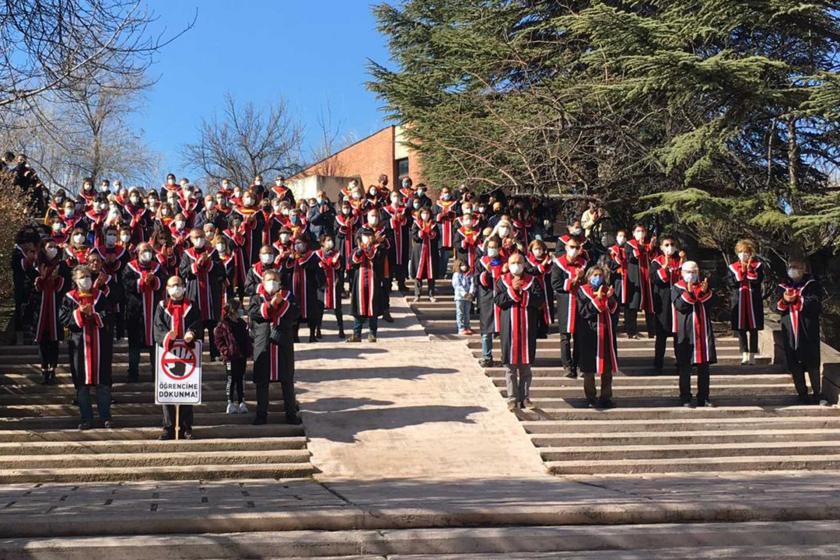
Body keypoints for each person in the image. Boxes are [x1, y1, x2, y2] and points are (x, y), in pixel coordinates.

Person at [59, 266, 113, 430]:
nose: (86, 279)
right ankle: (86, 418)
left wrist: (94, 315)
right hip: (78, 346)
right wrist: (79, 313)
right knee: (82, 385)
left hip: (100, 345)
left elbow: (109, 316)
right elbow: (64, 319)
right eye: (82, 276)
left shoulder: (100, 297)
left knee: (103, 384)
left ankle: (105, 417)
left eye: (88, 276)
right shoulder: (69, 298)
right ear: (75, 280)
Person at [247, 269, 302, 425]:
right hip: (263, 344)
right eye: (268, 279)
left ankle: (291, 414)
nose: (271, 282)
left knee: (287, 381)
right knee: (262, 382)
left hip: (282, 344)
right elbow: (255, 314)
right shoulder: (256, 298)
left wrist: (281, 303)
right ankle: (261, 414)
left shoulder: (289, 297)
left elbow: (295, 314)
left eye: (274, 279)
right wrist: (271, 305)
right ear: (263, 283)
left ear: (279, 282)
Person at [153, 275, 202, 439]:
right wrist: (168, 336)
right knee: (167, 393)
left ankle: (187, 427)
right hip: (168, 355)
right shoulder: (161, 306)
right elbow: (158, 328)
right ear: (167, 288)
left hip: (188, 355)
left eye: (179, 284)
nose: (177, 288)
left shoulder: (192, 306)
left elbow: (197, 324)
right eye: (173, 285)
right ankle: (168, 427)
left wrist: (192, 333)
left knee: (187, 392)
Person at [495, 252, 543, 411]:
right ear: (508, 265)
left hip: (527, 328)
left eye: (519, 262)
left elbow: (539, 301)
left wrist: (524, 293)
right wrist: (513, 291)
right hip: (509, 329)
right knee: (510, 367)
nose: (517, 265)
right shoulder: (502, 281)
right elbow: (499, 301)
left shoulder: (533, 281)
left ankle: (525, 398)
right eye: (513, 262)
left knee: (526, 367)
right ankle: (512, 398)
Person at [777, 260, 824, 405]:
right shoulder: (782, 285)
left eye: (797, 267)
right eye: (791, 267)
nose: (793, 270)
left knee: (811, 361)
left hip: (807, 329)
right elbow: (775, 306)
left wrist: (798, 299)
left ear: (804, 269)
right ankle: (802, 394)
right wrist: (785, 300)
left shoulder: (812, 284)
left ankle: (817, 393)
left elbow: (816, 303)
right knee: (794, 362)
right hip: (790, 329)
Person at [672, 261, 716, 407]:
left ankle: (704, 397)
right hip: (686, 333)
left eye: (694, 271)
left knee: (704, 367)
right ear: (682, 272)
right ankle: (685, 397)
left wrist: (703, 292)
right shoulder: (677, 287)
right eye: (689, 272)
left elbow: (711, 303)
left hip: (703, 331)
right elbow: (680, 306)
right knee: (685, 367)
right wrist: (689, 293)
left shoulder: (703, 286)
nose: (692, 275)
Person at [576, 266, 619, 408]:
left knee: (606, 369)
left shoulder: (607, 289)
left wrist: (610, 297)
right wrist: (598, 299)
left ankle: (606, 397)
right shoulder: (582, 291)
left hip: (606, 333)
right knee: (589, 369)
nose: (598, 278)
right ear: (589, 277)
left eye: (600, 275)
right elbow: (584, 311)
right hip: (590, 334)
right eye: (595, 275)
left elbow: (613, 310)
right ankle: (590, 397)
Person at [180, 228, 225, 361]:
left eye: (201, 237)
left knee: (214, 326)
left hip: (211, 294)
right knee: (195, 325)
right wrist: (196, 265)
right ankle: (195, 354)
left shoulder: (213, 252)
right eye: (195, 237)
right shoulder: (187, 254)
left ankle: (215, 353)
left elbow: (221, 271)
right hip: (195, 294)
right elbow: (183, 272)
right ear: (191, 239)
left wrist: (209, 263)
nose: (199, 240)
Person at [123, 243, 165, 382]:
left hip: (154, 312)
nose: (146, 253)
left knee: (155, 344)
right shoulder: (130, 267)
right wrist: (142, 281)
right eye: (143, 251)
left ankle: (157, 374)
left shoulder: (157, 267)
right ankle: (133, 374)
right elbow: (127, 285)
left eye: (149, 251)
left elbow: (163, 283)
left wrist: (154, 280)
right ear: (137, 253)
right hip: (136, 312)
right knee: (134, 345)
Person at [551, 237, 588, 379]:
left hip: (580, 303)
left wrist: (582, 278)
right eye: (571, 247)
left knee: (579, 336)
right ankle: (567, 366)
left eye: (576, 247)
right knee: (565, 337)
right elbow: (556, 284)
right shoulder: (559, 264)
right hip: (566, 302)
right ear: (566, 248)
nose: (574, 250)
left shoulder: (584, 264)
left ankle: (578, 365)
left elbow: (589, 283)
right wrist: (573, 280)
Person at [33, 241, 67, 384]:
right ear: (44, 249)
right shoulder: (37, 266)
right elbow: (31, 289)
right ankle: (44, 370)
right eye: (49, 247)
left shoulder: (62, 266)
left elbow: (66, 287)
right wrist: (41, 279)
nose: (52, 249)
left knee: (54, 342)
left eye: (54, 246)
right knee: (42, 342)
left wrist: (56, 279)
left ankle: (52, 370)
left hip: (56, 310)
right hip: (40, 311)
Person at [650, 236, 684, 374]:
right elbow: (655, 280)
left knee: (679, 335)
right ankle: (658, 364)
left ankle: (681, 363)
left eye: (672, 244)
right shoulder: (656, 262)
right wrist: (663, 268)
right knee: (661, 335)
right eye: (666, 244)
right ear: (661, 247)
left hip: (678, 301)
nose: (670, 247)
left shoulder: (680, 261)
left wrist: (683, 262)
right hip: (663, 303)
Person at [727, 239, 764, 365]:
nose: (744, 254)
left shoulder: (758, 266)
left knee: (753, 329)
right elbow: (731, 283)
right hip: (739, 301)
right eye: (741, 252)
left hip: (753, 302)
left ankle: (753, 355)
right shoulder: (732, 267)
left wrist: (749, 271)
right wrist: (741, 272)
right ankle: (744, 354)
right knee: (741, 329)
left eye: (746, 252)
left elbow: (758, 281)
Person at [347, 227, 387, 342]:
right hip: (359, 283)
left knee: (372, 310)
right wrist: (360, 250)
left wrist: (373, 246)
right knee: (359, 310)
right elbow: (351, 262)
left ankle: (372, 334)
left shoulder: (378, 249)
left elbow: (379, 261)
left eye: (370, 236)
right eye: (365, 236)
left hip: (373, 283)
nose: (367, 238)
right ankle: (357, 334)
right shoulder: (356, 250)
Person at [283, 236, 325, 343]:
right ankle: (295, 335)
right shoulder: (291, 258)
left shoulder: (313, 256)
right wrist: (291, 258)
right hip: (294, 288)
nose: (298, 245)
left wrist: (320, 284)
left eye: (300, 243)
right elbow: (285, 271)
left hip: (309, 289)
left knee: (311, 311)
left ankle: (312, 335)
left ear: (306, 244)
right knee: (294, 311)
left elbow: (318, 271)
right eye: (296, 243)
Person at [214, 299, 251, 415]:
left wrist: (248, 350)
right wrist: (225, 351)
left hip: (241, 356)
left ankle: (241, 401)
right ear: (233, 310)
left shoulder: (242, 323)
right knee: (231, 379)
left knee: (241, 379)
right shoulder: (223, 324)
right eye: (238, 308)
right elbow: (218, 340)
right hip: (230, 356)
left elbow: (246, 338)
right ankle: (230, 402)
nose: (240, 311)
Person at [476, 236, 505, 367]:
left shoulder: (505, 262)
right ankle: (487, 356)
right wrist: (487, 272)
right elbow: (479, 281)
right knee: (487, 329)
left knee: (505, 329)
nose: (492, 250)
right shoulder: (482, 261)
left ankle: (506, 356)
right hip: (487, 298)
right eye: (490, 247)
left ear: (499, 249)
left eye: (494, 247)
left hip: (502, 299)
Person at [625, 224, 656, 338]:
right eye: (638, 231)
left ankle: (652, 332)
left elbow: (654, 259)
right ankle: (631, 332)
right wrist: (641, 247)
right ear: (633, 233)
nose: (641, 233)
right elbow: (630, 258)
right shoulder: (629, 245)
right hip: (635, 278)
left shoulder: (649, 245)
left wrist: (651, 248)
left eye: (643, 230)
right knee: (632, 306)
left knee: (651, 307)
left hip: (648, 280)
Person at [317, 234, 346, 339]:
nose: (330, 242)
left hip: (334, 283)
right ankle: (317, 329)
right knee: (319, 308)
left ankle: (341, 328)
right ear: (322, 243)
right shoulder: (317, 254)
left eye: (331, 240)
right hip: (322, 284)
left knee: (338, 308)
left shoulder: (337, 254)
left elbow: (340, 268)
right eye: (328, 240)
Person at [525, 239, 553, 339]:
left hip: (546, 288)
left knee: (545, 309)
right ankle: (535, 329)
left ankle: (544, 329)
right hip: (534, 288)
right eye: (536, 249)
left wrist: (547, 263)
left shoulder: (547, 260)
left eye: (540, 248)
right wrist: (542, 265)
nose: (538, 251)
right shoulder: (527, 260)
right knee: (535, 309)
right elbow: (530, 271)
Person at [411, 206, 439, 302]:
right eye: (423, 213)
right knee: (418, 275)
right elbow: (414, 236)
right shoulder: (416, 224)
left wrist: (431, 233)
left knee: (430, 275)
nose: (425, 215)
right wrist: (421, 233)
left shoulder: (433, 224)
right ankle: (417, 295)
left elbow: (438, 236)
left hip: (431, 253)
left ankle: (431, 295)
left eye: (427, 213)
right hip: (419, 252)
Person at [434, 187, 459, 278]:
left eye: (448, 192)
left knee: (448, 255)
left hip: (451, 232)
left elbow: (459, 215)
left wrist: (452, 214)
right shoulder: (437, 204)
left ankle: (453, 272)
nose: (446, 194)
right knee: (441, 255)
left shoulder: (455, 204)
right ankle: (440, 272)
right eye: (445, 192)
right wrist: (440, 215)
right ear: (441, 193)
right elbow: (433, 216)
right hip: (441, 233)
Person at [451, 258, 476, 335]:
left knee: (467, 313)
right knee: (460, 313)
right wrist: (464, 293)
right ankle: (461, 328)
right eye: (462, 265)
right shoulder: (456, 275)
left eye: (465, 265)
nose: (464, 267)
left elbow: (472, 284)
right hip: (460, 298)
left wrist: (471, 293)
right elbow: (457, 285)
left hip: (468, 298)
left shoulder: (469, 275)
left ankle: (467, 327)